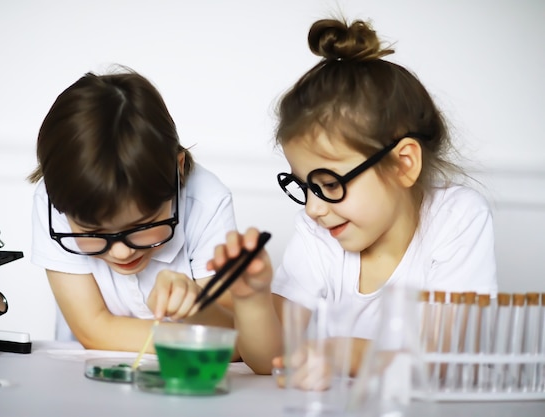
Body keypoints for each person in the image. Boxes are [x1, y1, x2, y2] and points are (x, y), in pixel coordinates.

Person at [210, 17, 498, 377]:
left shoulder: (457, 219)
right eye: (306, 187)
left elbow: (443, 358)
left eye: (329, 184)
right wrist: (252, 301)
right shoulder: (321, 233)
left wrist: (340, 353)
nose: (314, 208)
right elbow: (269, 361)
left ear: (402, 164)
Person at [28, 67, 241, 354]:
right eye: (93, 232)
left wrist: (198, 309)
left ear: (176, 171)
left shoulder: (207, 202)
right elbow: (92, 331)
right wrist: (195, 336)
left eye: (142, 226)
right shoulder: (55, 201)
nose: (121, 253)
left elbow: (236, 340)